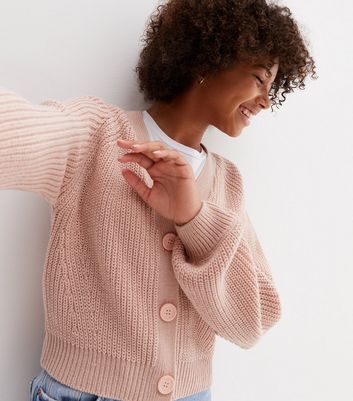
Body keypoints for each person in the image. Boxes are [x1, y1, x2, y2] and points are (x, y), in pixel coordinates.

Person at [0, 1, 317, 401]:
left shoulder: (226, 184)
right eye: (258, 78)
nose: (266, 101)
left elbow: (251, 321)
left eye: (272, 88)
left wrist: (194, 218)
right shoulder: (97, 136)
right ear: (208, 60)